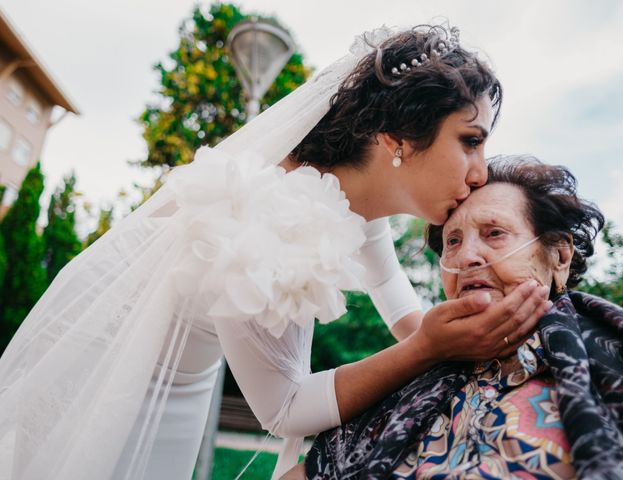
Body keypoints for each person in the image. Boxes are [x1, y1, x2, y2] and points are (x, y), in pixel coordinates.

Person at [0, 26, 551, 480]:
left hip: (184, 379)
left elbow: (394, 298)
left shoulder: (360, 198)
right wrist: (428, 348)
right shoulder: (268, 212)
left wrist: (479, 345)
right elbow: (284, 409)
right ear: (398, 138)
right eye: (470, 140)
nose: (480, 172)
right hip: (115, 373)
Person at [304, 156, 623, 480]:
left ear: (560, 256)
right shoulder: (406, 380)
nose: (465, 257)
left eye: (494, 233)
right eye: (453, 241)